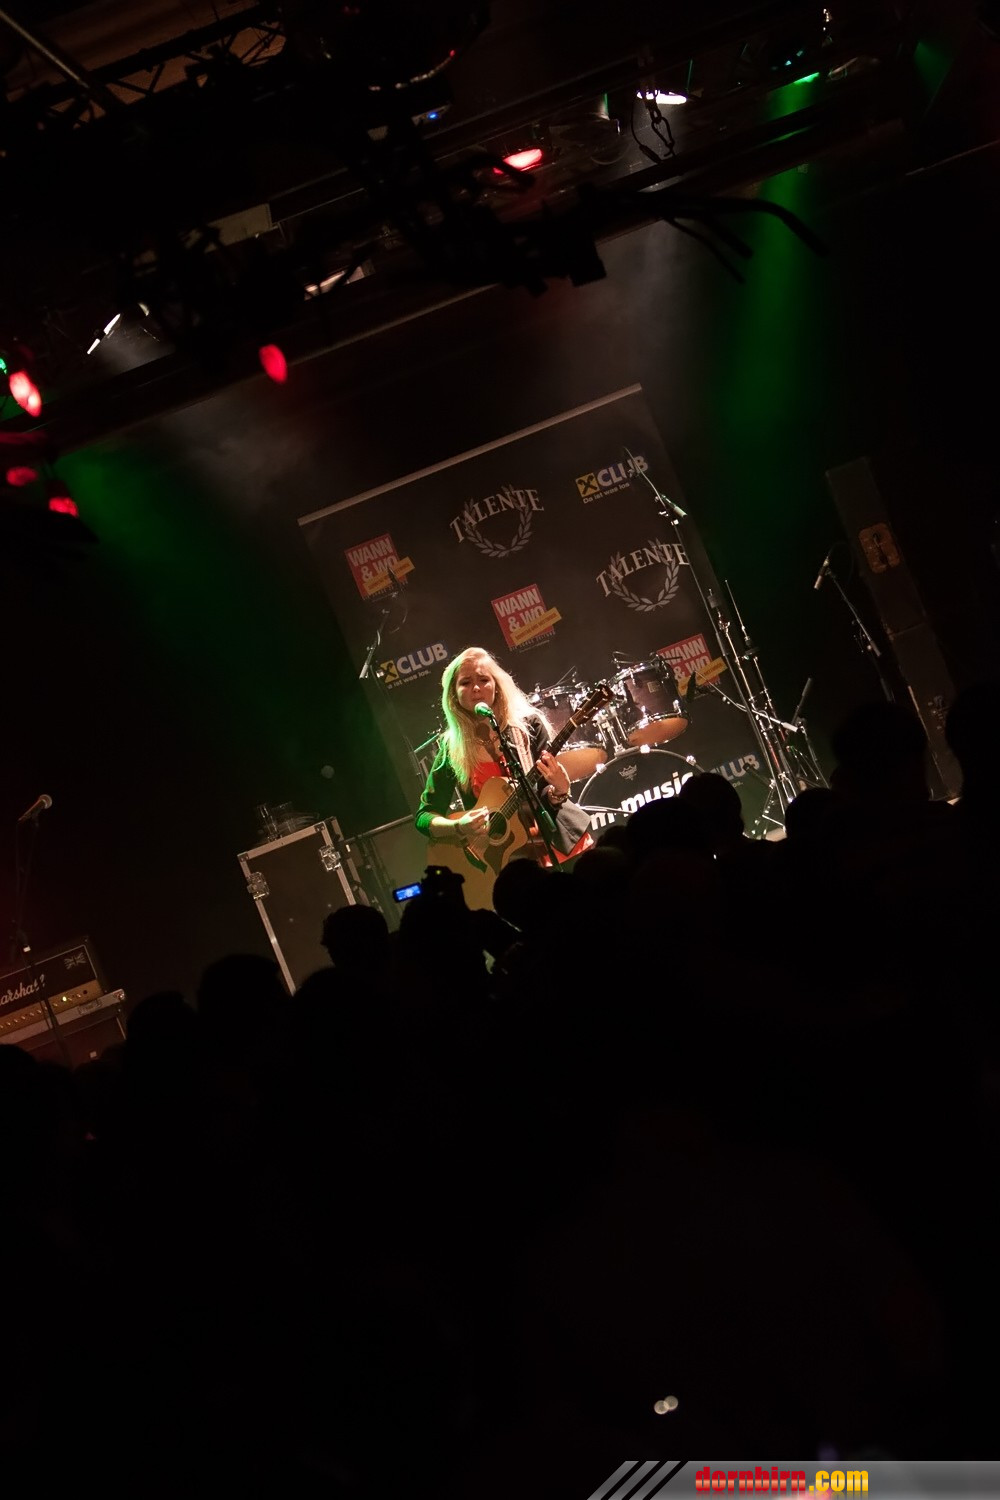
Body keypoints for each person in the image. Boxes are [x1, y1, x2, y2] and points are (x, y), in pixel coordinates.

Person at [415, 646, 592, 889]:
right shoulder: (451, 748)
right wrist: (458, 826)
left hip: (554, 842)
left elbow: (544, 790)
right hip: (507, 865)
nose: (476, 688)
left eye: (483, 680)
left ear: (497, 686)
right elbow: (425, 816)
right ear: (454, 696)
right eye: (466, 682)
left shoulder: (528, 726)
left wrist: (560, 789)